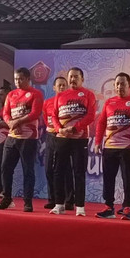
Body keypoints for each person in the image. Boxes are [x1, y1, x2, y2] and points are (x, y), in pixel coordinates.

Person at [94, 73, 130, 220]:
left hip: (127, 148)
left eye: (122, 84)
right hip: (109, 147)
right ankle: (109, 207)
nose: (119, 87)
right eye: (117, 84)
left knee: (128, 179)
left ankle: (128, 208)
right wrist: (98, 142)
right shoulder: (109, 102)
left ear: (129, 85)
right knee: (108, 178)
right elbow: (102, 123)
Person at [0, 67, 44, 212]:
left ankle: (27, 201)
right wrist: (10, 123)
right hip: (12, 136)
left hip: (28, 138)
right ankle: (7, 198)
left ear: (28, 79)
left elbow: (35, 113)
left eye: (21, 79)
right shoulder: (11, 95)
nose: (18, 81)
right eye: (16, 79)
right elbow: (6, 113)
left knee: (28, 169)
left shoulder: (36, 94)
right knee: (5, 168)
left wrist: (19, 122)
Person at [50, 67, 96, 216]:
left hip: (79, 139)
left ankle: (80, 206)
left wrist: (76, 127)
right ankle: (59, 204)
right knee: (58, 171)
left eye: (76, 76)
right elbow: (54, 116)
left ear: (82, 79)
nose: (72, 79)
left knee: (79, 172)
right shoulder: (60, 95)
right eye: (70, 77)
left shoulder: (88, 94)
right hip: (62, 138)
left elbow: (90, 115)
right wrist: (59, 129)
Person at [42, 76, 73, 209]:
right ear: (54, 87)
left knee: (65, 168)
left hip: (64, 136)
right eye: (59, 85)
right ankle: (52, 199)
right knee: (49, 168)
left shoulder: (70, 102)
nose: (61, 87)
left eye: (64, 85)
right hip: (51, 135)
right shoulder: (47, 102)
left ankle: (69, 200)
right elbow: (45, 118)